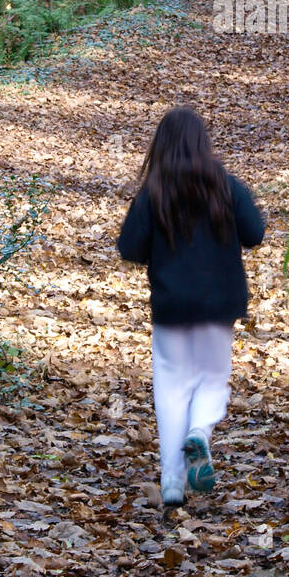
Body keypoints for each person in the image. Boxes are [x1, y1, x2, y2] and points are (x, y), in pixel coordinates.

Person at [117, 106, 265, 507]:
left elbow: (128, 247)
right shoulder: (227, 186)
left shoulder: (154, 192)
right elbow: (255, 234)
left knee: (171, 388)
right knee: (212, 380)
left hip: (171, 306)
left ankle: (171, 482)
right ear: (203, 143)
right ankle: (199, 432)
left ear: (160, 147)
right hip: (219, 305)